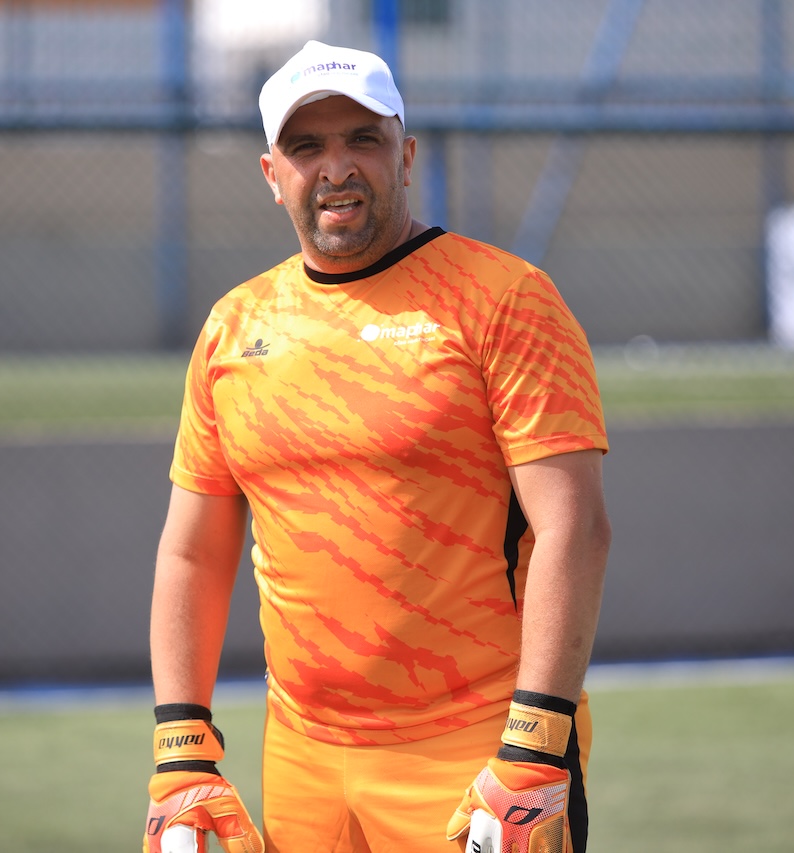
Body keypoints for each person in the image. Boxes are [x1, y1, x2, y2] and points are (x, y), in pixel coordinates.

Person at [143, 40, 611, 853]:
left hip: (478, 748)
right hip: (301, 756)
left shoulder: (506, 300)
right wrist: (180, 750)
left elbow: (574, 528)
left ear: (407, 156)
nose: (337, 168)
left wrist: (536, 745)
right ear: (272, 174)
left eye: (363, 138)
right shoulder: (232, 327)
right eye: (306, 147)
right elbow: (194, 550)